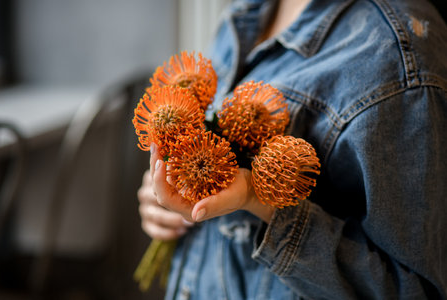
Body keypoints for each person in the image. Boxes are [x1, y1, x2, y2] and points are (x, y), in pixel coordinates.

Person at [137, 0, 447, 298]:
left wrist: (260, 199)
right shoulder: (247, 9)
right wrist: (170, 184)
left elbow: (415, 291)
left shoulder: (398, 55)